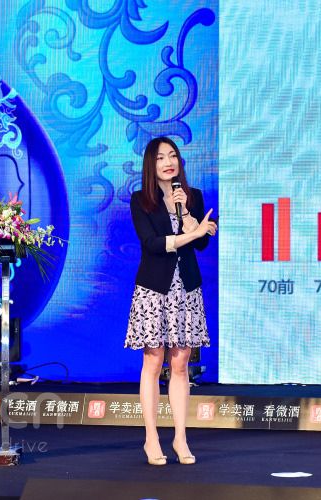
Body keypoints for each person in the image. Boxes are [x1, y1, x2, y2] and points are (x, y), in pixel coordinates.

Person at [125, 136, 217, 466]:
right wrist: (193, 234)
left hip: (186, 288)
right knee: (153, 362)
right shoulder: (141, 200)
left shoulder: (193, 197)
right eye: (161, 157)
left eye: (173, 156)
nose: (168, 162)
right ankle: (151, 438)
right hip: (154, 289)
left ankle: (180, 437)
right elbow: (151, 243)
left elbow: (202, 245)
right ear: (151, 164)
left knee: (180, 364)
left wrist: (189, 216)